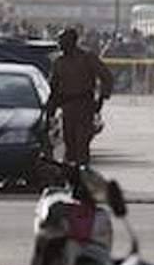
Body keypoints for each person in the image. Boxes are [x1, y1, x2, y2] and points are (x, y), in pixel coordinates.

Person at [48, 27, 113, 165]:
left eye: (64, 40)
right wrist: (51, 108)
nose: (60, 43)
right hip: (67, 106)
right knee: (69, 143)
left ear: (73, 41)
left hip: (84, 105)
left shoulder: (87, 58)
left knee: (82, 144)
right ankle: (73, 175)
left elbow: (106, 77)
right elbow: (53, 86)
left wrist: (102, 98)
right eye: (60, 40)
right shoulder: (58, 61)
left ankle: (83, 175)